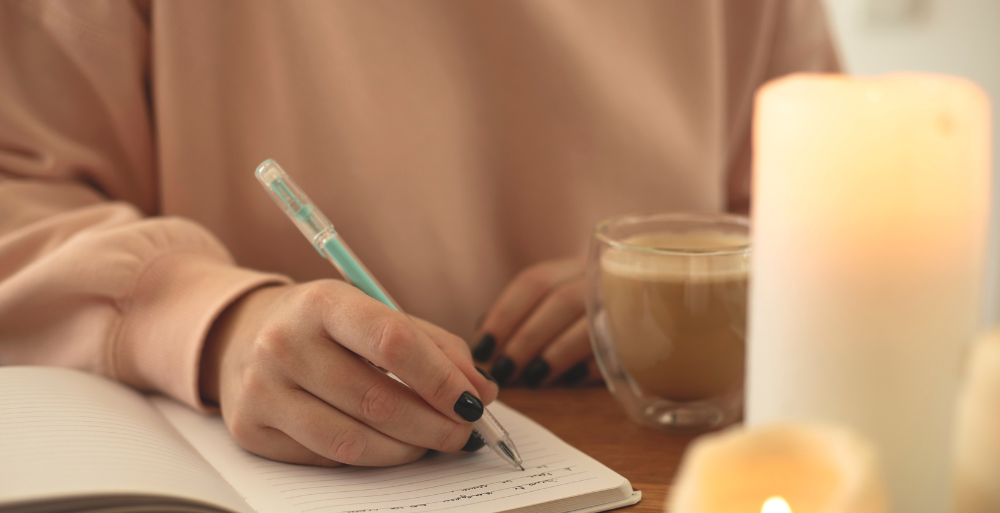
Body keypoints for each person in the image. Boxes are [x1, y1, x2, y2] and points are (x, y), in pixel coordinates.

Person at [0, 0, 839, 467]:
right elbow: (21, 189)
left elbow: (837, 202)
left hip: (675, 470)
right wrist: (215, 321)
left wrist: (677, 296)